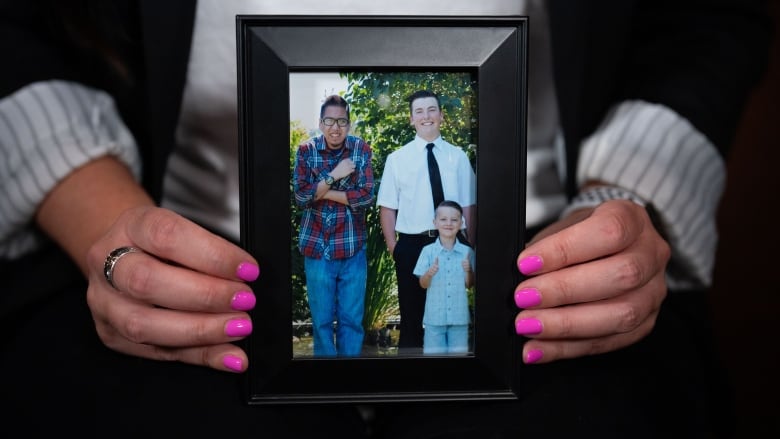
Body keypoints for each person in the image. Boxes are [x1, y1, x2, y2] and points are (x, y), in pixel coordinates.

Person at [0, 1, 771, 438]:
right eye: (424, 108)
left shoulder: (399, 153)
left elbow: (706, 24)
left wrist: (620, 200)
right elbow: (363, 201)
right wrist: (102, 211)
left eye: (437, 108)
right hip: (195, 267)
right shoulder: (388, 154)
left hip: (541, 266)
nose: (430, 115)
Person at [377, 89, 476, 351]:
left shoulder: (459, 157)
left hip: (453, 246)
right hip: (411, 247)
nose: (426, 116)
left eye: (431, 109)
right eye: (419, 111)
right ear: (411, 119)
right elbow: (387, 208)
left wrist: (469, 244)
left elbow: (468, 205)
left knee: (451, 318)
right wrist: (394, 248)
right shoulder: (397, 159)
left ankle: (450, 383)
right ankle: (409, 385)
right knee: (411, 320)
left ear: (441, 115)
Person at [292, 94, 374, 357]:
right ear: (320, 122)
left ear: (349, 125)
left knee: (352, 322)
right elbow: (301, 197)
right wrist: (334, 175)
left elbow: (365, 197)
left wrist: (321, 190)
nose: (335, 127)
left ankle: (349, 383)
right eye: (329, 120)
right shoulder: (306, 151)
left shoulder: (361, 149)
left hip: (352, 249)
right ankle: (326, 384)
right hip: (317, 250)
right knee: (322, 323)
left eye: (341, 121)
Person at [413, 200, 476, 355]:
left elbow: (469, 284)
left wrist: (469, 271)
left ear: (461, 223)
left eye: (454, 220)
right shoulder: (427, 252)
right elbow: (423, 284)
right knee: (434, 360)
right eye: (443, 219)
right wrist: (429, 273)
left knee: (458, 358)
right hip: (434, 319)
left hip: (459, 318)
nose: (448, 223)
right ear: (435, 222)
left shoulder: (467, 252)